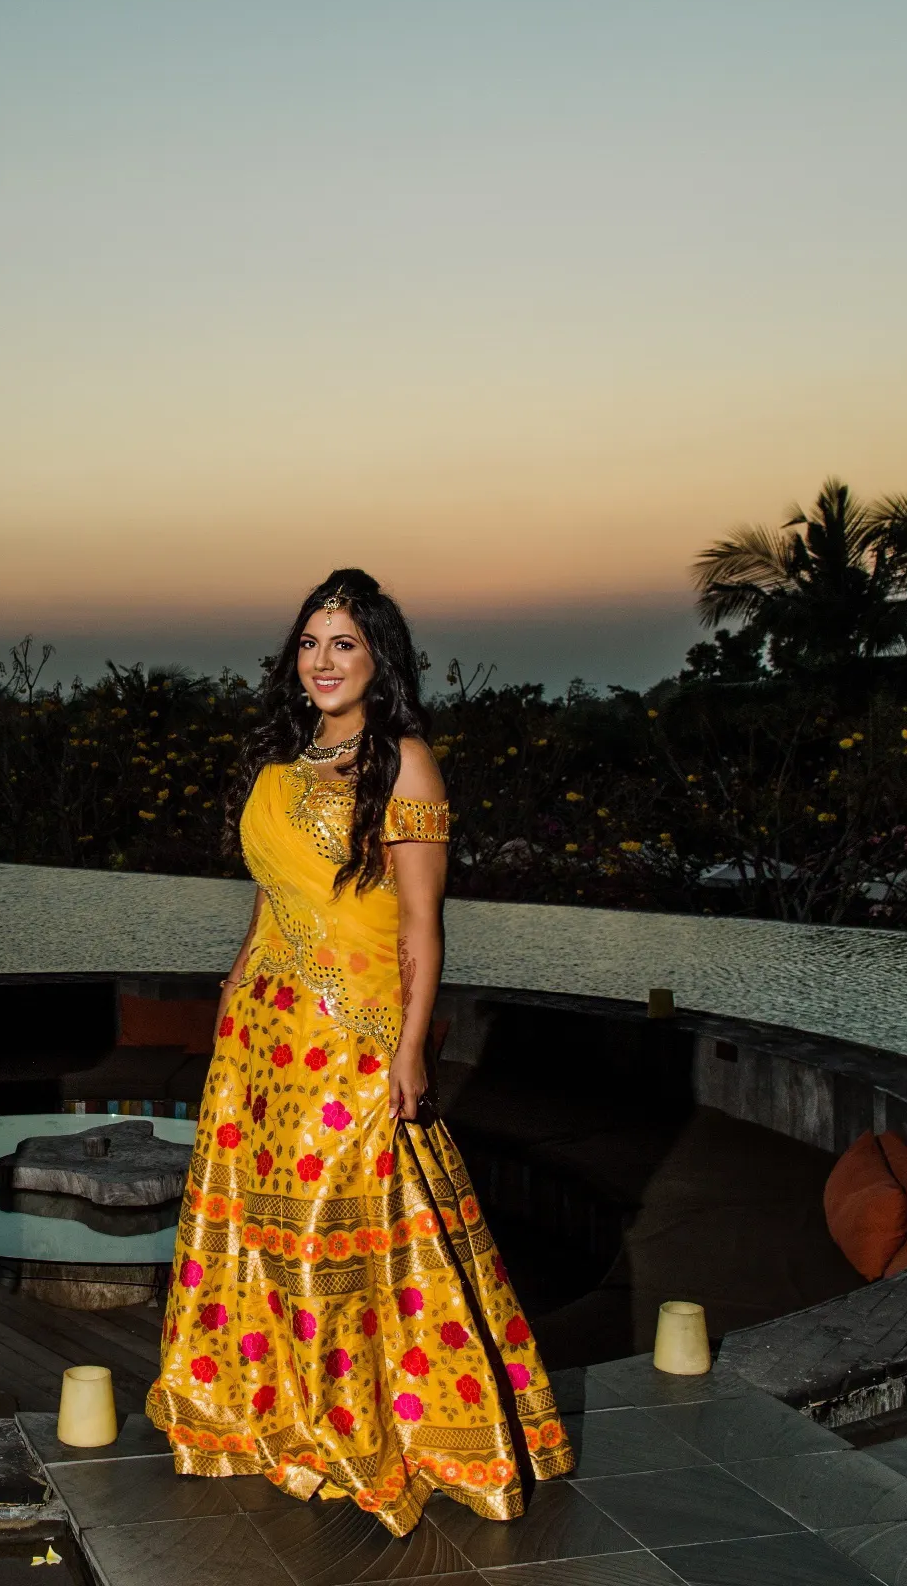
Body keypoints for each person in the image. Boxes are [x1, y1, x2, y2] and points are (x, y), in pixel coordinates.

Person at [146, 567, 573, 1534]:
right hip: (265, 1028)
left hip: (353, 1030)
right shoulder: (281, 761)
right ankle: (269, 1414)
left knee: (328, 1227)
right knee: (253, 1224)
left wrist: (413, 1047)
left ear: (381, 657)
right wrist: (234, 985)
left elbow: (422, 923)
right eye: (309, 643)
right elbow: (271, 892)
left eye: (343, 643)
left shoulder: (405, 764)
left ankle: (368, 1427)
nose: (323, 661)